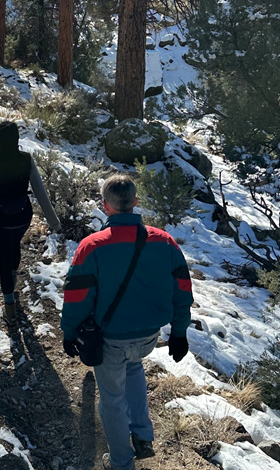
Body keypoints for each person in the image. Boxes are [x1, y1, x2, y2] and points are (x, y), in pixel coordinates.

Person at [60, 175, 194, 470]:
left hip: (110, 338)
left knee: (111, 399)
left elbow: (76, 296)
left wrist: (69, 332)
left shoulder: (91, 246)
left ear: (105, 205)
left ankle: (122, 462)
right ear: (135, 202)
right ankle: (142, 434)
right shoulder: (165, 242)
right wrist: (179, 333)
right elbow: (182, 289)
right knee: (133, 365)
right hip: (148, 336)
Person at [0, 121, 61, 325]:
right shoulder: (26, 159)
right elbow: (40, 193)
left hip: (0, 219)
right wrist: (54, 221)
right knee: (14, 247)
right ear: (17, 139)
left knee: (3, 259)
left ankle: (9, 310)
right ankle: (13, 284)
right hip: (22, 217)